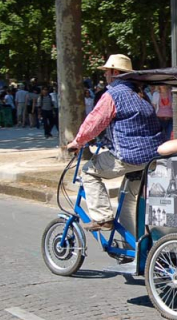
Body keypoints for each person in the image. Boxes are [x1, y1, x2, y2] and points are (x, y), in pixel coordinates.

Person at [66, 54, 164, 233]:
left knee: (88, 172)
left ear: (115, 72)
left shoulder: (113, 95)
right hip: (151, 158)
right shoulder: (142, 95)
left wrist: (77, 142)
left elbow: (93, 123)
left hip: (128, 156)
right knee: (127, 202)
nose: (105, 75)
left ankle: (103, 219)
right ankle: (131, 245)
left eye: (107, 72)